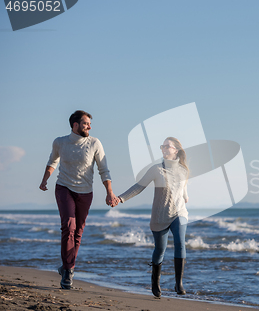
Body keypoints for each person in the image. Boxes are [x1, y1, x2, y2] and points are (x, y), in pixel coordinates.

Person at [39, 110, 120, 289]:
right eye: (85, 123)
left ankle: (67, 266)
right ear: (75, 125)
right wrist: (45, 179)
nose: (89, 127)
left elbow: (103, 169)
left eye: (89, 124)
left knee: (78, 232)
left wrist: (110, 192)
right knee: (69, 226)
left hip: (85, 192)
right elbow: (52, 161)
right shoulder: (60, 142)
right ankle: (68, 273)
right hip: (64, 188)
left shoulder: (95, 143)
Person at [117, 137, 189, 297]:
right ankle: (155, 282)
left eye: (167, 146)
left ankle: (179, 283)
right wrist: (121, 198)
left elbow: (183, 190)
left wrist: (185, 197)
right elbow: (139, 186)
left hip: (179, 213)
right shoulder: (156, 169)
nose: (164, 149)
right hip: (160, 215)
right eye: (162, 146)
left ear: (175, 150)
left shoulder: (184, 170)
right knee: (160, 250)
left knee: (180, 242)